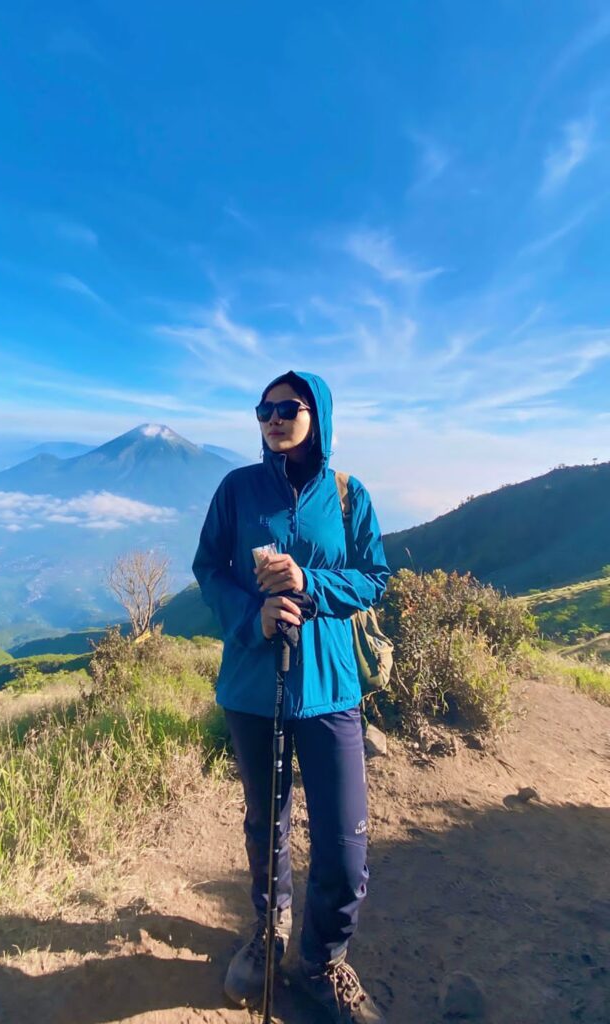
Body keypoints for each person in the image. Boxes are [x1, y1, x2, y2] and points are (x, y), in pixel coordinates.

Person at [192, 370, 391, 1024]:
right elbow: (208, 569)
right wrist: (255, 617)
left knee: (344, 838)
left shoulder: (348, 494)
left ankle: (322, 959)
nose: (274, 418)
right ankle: (269, 933)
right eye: (264, 409)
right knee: (265, 823)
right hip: (253, 686)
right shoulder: (237, 489)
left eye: (288, 407)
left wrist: (310, 584)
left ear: (318, 415)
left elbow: (373, 577)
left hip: (330, 687)